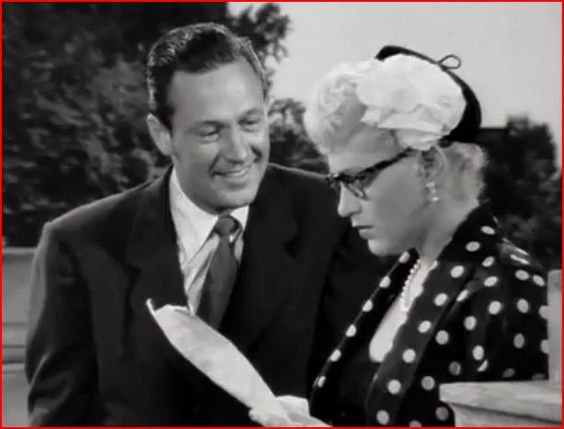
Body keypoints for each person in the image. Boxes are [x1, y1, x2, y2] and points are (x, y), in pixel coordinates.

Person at [24, 23, 383, 426]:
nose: (239, 152)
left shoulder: (337, 218)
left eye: (250, 123)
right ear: (162, 135)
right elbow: (59, 417)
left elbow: (360, 402)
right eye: (211, 132)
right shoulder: (78, 245)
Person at [249, 46, 549, 427]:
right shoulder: (408, 271)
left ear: (429, 165)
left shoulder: (511, 287)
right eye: (337, 183)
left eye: (358, 180)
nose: (343, 208)